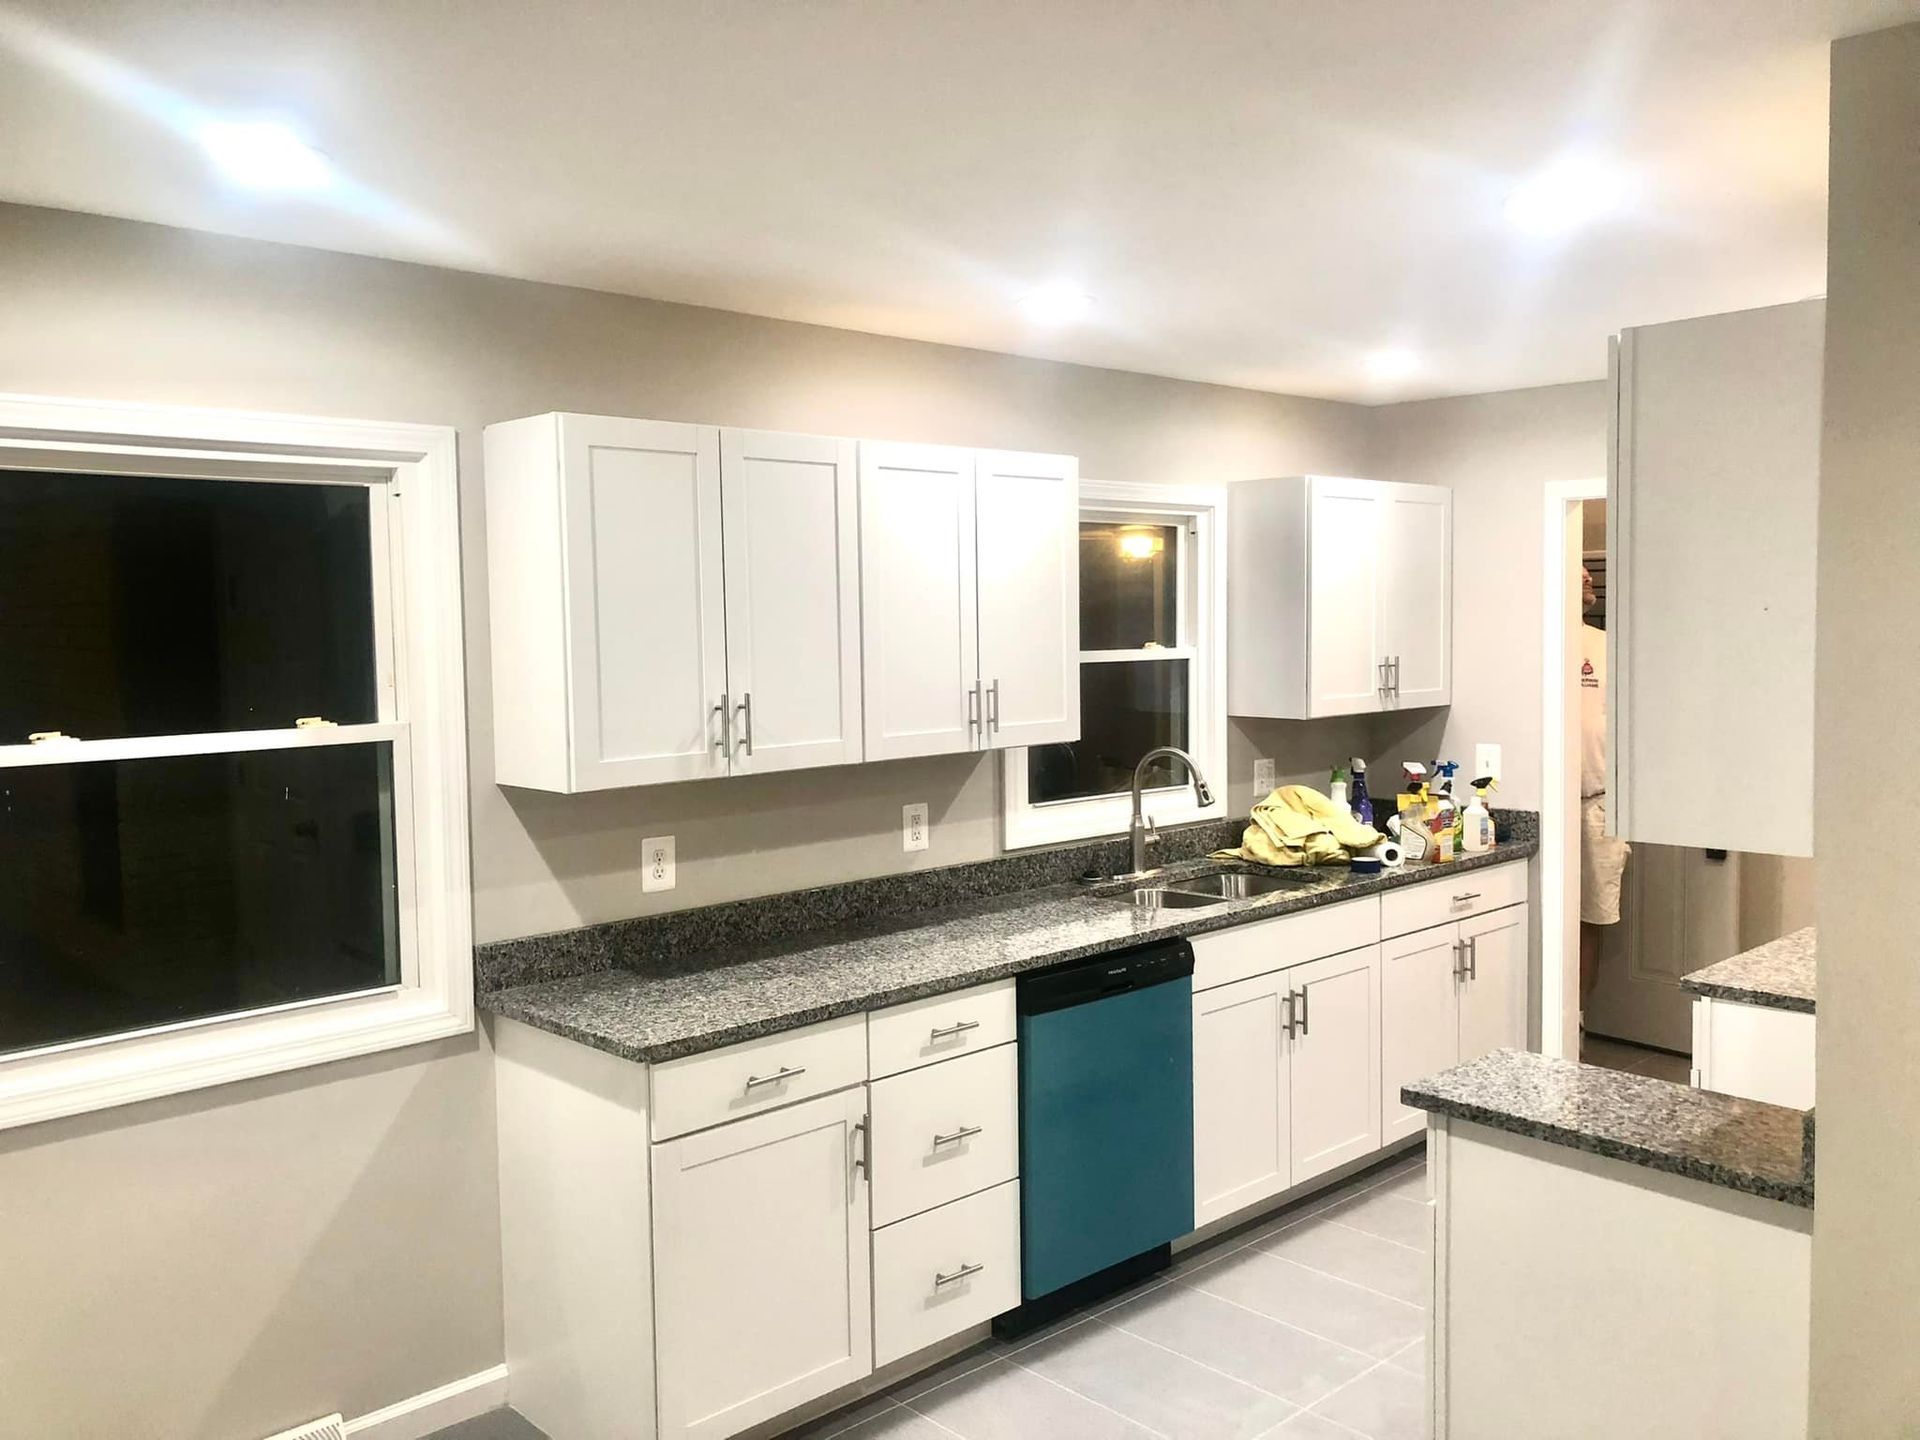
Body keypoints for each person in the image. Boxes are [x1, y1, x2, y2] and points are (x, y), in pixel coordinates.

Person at [1579, 565, 1629, 1009]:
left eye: (1588, 573)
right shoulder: (1535, 642)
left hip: (1595, 804)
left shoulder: (1606, 646)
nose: (1588, 578)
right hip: (1547, 807)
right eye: (1577, 573)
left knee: (1587, 918)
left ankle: (1576, 1026)